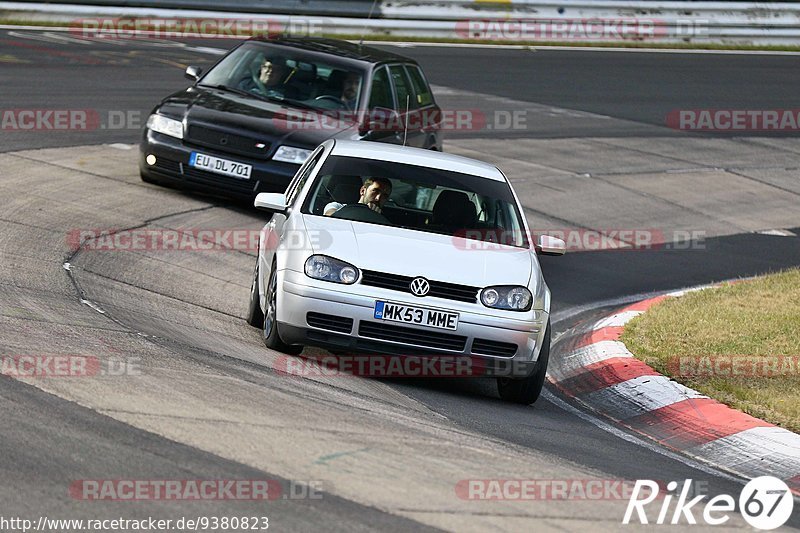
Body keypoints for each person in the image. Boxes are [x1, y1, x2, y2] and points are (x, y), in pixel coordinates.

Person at [325, 177, 392, 216]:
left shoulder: (387, 221)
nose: (378, 198)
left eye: (384, 195)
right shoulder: (338, 207)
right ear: (363, 191)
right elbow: (330, 217)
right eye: (375, 191)